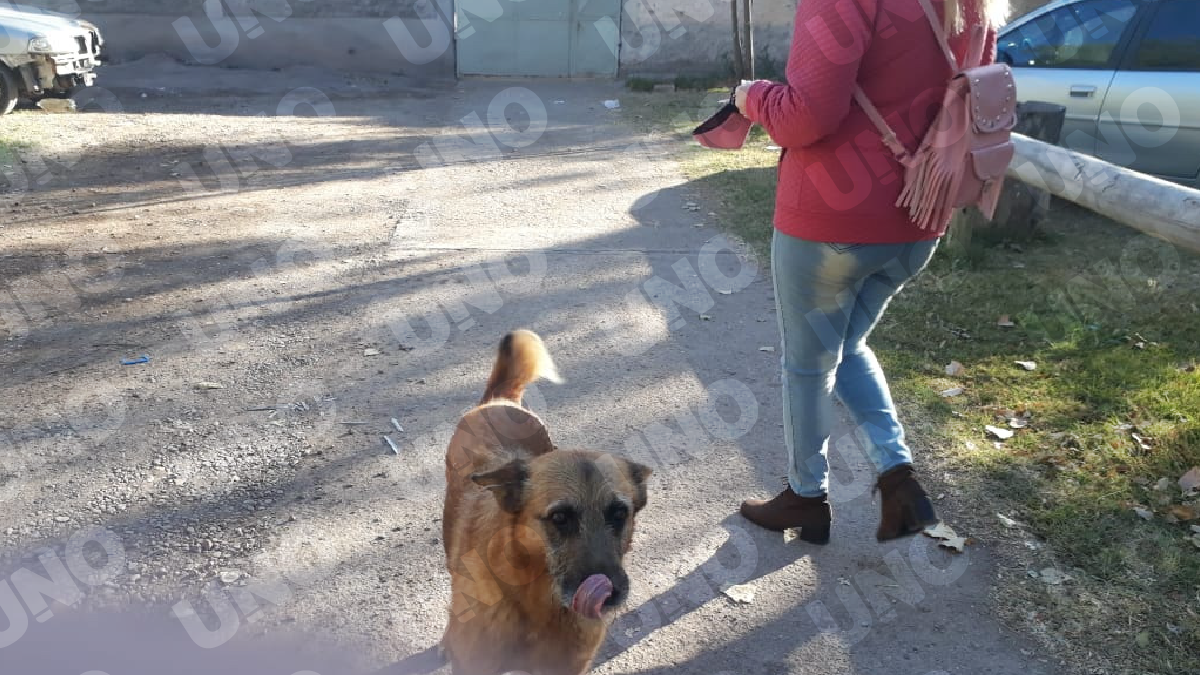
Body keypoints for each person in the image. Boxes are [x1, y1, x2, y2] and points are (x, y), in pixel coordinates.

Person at [732, 0, 1008, 543]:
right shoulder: (979, 4)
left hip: (832, 221)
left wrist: (752, 97)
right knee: (848, 345)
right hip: (920, 218)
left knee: (808, 365)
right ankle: (898, 478)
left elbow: (805, 116)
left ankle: (806, 497)